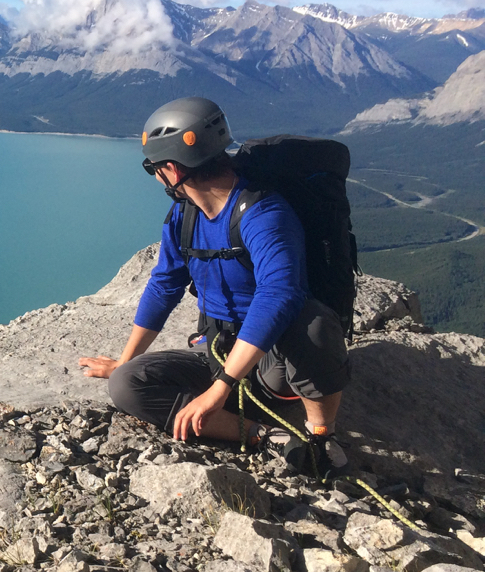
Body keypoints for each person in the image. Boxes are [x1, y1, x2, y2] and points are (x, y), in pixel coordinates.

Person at [78, 97, 350, 474]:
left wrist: (220, 388)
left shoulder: (263, 214)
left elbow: (279, 294)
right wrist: (125, 361)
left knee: (313, 322)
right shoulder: (183, 216)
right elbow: (164, 285)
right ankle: (263, 435)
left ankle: (320, 438)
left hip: (275, 366)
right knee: (126, 384)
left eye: (152, 168)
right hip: (216, 350)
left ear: (171, 170)